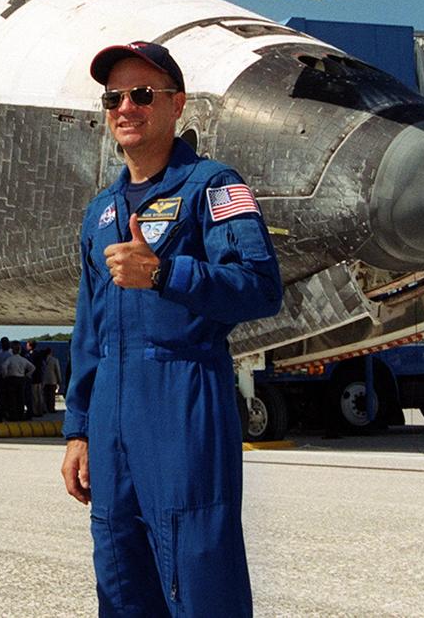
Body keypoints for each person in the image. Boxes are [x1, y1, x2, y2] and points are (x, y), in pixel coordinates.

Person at [60, 41, 282, 616]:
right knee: (120, 571)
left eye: (141, 94)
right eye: (113, 97)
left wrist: (164, 273)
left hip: (183, 397)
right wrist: (79, 429)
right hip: (110, 412)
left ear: (176, 104)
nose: (125, 108)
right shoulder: (101, 211)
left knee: (199, 571)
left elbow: (260, 286)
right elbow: (90, 328)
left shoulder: (213, 187)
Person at [41, 347, 62, 414]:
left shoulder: (42, 359)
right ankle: (51, 408)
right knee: (52, 396)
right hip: (52, 380)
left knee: (45, 395)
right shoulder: (54, 360)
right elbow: (57, 370)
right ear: (51, 352)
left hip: (44, 380)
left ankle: (45, 408)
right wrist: (59, 380)